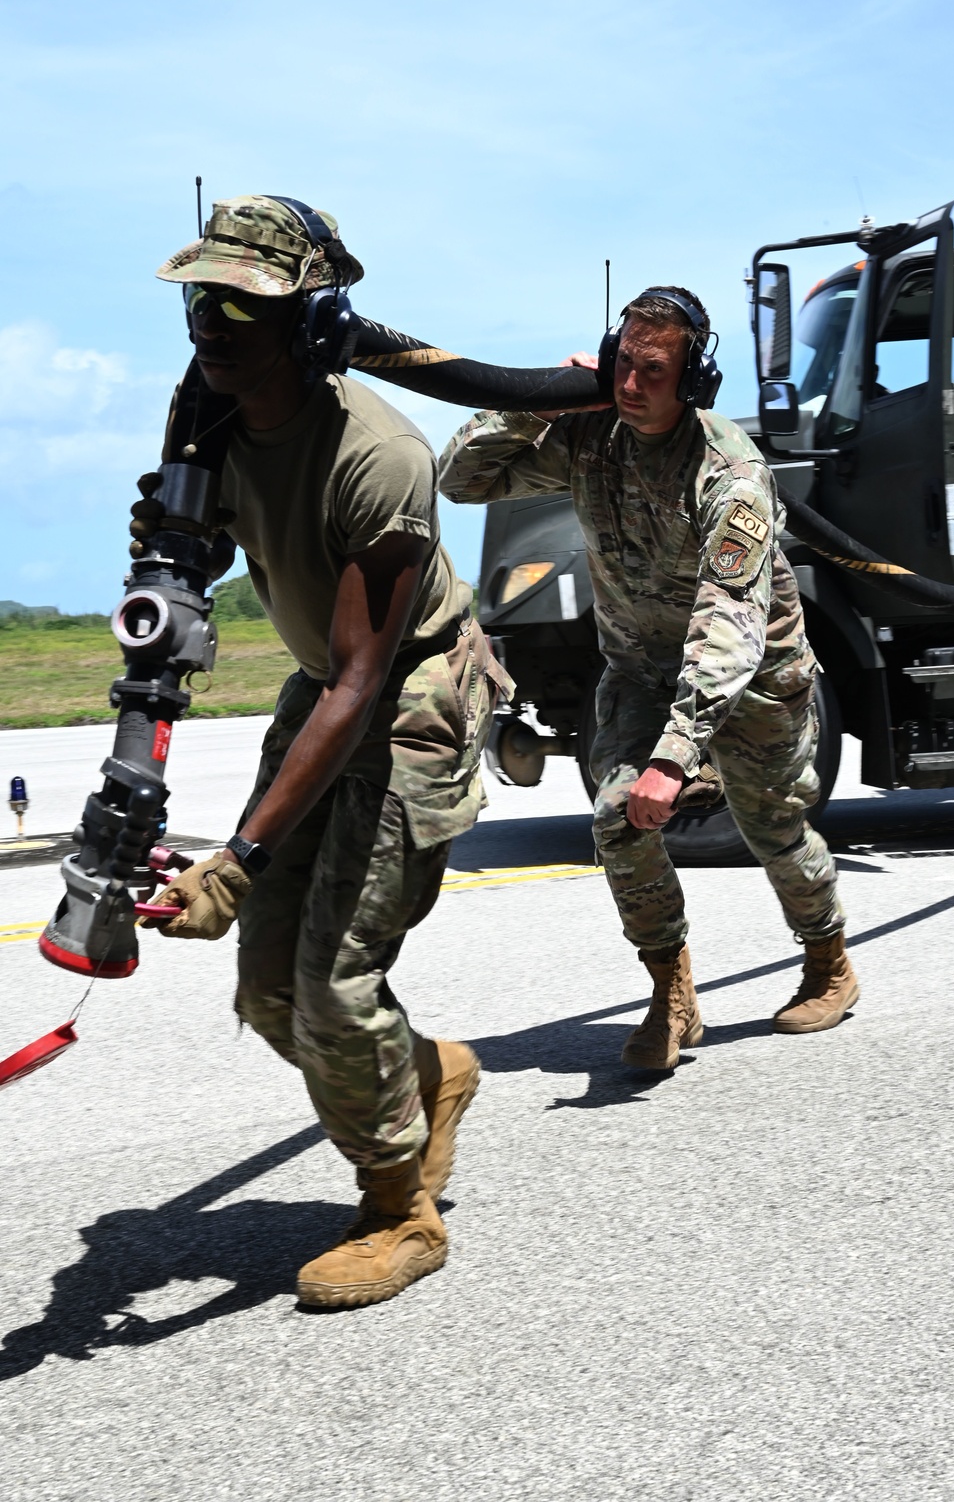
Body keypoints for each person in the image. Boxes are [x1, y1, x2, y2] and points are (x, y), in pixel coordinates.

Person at [144, 195, 510, 1308]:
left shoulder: (379, 454)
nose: (211, 323)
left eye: (243, 305)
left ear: (309, 323)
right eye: (201, 299)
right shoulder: (209, 411)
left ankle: (401, 1212)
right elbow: (176, 552)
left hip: (410, 697)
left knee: (333, 986)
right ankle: (425, 1079)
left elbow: (362, 678)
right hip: (327, 691)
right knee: (265, 992)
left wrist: (239, 857)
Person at [438, 286, 858, 1070]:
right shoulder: (593, 437)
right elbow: (461, 480)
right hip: (639, 670)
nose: (630, 385)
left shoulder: (730, 474)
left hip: (753, 677)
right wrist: (539, 406)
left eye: (652, 370)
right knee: (616, 819)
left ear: (692, 377)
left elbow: (728, 624)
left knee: (773, 830)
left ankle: (828, 959)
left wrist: (675, 757)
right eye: (621, 362)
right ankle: (672, 991)